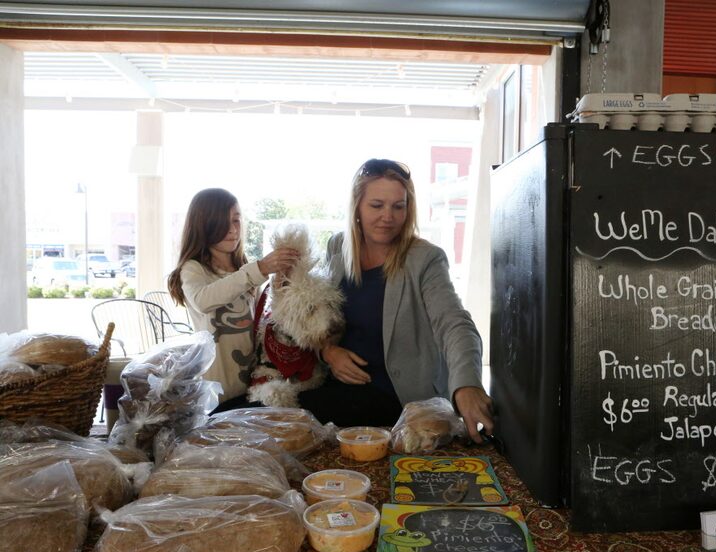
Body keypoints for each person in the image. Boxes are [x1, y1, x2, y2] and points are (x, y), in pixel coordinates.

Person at [299, 158, 494, 442]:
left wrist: (466, 385)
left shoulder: (425, 258)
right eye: (376, 206)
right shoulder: (337, 247)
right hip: (337, 386)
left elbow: (455, 324)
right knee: (250, 410)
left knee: (289, 413)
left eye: (398, 206)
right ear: (356, 207)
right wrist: (328, 352)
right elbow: (320, 317)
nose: (387, 217)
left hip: (395, 397)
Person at [167, 188, 297, 411]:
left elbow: (259, 322)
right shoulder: (194, 269)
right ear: (203, 225)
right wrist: (259, 269)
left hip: (252, 382)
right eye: (222, 222)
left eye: (237, 220)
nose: (233, 230)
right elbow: (203, 300)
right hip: (215, 388)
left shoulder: (245, 269)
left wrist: (279, 284)